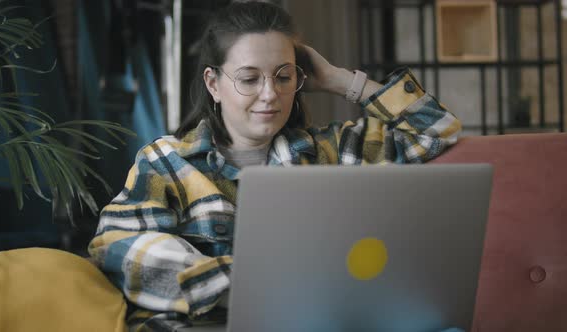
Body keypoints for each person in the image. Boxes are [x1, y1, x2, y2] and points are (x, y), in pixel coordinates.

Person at [88, 1, 462, 330]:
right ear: (213, 84)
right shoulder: (167, 162)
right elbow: (115, 247)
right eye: (250, 79)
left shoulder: (330, 152)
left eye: (284, 77)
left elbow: (435, 131)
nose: (270, 94)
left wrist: (340, 80)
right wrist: (250, 288)